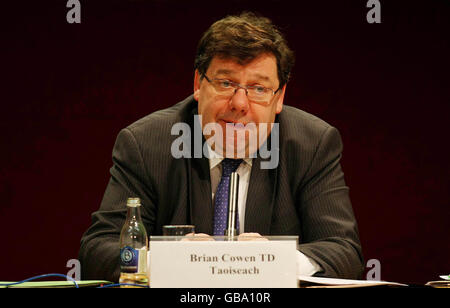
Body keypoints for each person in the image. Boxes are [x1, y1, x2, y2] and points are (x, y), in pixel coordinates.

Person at [79, 12, 364, 282]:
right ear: (198, 85)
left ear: (279, 98)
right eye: (226, 83)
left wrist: (272, 261)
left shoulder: (311, 145)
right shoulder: (147, 144)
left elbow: (343, 252)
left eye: (259, 89)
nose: (239, 104)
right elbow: (97, 251)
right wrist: (168, 261)